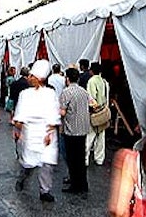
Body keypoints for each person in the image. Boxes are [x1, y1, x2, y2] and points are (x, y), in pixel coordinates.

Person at [13, 59, 61, 202]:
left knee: (47, 164)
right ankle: (22, 178)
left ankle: (45, 190)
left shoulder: (50, 94)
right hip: (30, 131)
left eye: (32, 76)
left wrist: (50, 132)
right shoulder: (25, 94)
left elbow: (54, 114)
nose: (29, 78)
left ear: (39, 79)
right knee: (29, 163)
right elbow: (20, 113)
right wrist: (18, 128)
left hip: (46, 131)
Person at [59, 67, 91, 194]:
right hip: (83, 128)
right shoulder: (83, 91)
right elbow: (92, 103)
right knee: (81, 158)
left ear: (67, 79)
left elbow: (62, 112)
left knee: (72, 159)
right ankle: (83, 184)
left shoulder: (66, 92)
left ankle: (75, 185)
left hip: (71, 129)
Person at [85, 62, 110, 166]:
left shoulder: (92, 81)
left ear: (92, 71)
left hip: (95, 112)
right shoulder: (105, 82)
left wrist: (90, 111)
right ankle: (99, 159)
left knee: (90, 136)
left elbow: (91, 99)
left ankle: (85, 159)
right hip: (104, 111)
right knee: (101, 136)